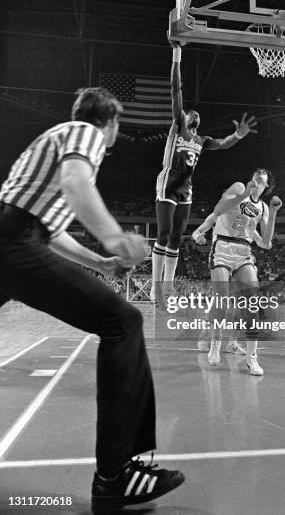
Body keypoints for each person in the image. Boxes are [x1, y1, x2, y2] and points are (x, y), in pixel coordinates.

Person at [0, 88, 184, 514]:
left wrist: (100, 263)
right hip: (13, 241)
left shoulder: (55, 138)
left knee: (119, 320)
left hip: (12, 237)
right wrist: (116, 238)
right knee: (123, 323)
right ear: (112, 123)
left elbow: (49, 230)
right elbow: (74, 184)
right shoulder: (86, 134)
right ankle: (114, 476)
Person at [151, 43, 257, 302]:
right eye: (191, 112)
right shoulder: (178, 126)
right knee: (164, 233)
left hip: (185, 189)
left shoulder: (202, 140)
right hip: (168, 182)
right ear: (185, 117)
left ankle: (168, 286)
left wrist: (238, 135)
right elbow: (176, 90)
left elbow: (223, 144)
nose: (194, 113)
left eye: (197, 114)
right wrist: (177, 56)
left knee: (176, 236)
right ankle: (156, 286)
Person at [192, 168, 282, 375]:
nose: (259, 172)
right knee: (222, 300)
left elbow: (266, 242)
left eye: (264, 173)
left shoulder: (263, 207)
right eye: (256, 171)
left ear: (267, 184)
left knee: (251, 302)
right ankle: (216, 344)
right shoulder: (239, 188)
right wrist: (198, 234)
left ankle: (251, 358)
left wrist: (274, 212)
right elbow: (218, 209)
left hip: (244, 251)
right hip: (222, 247)